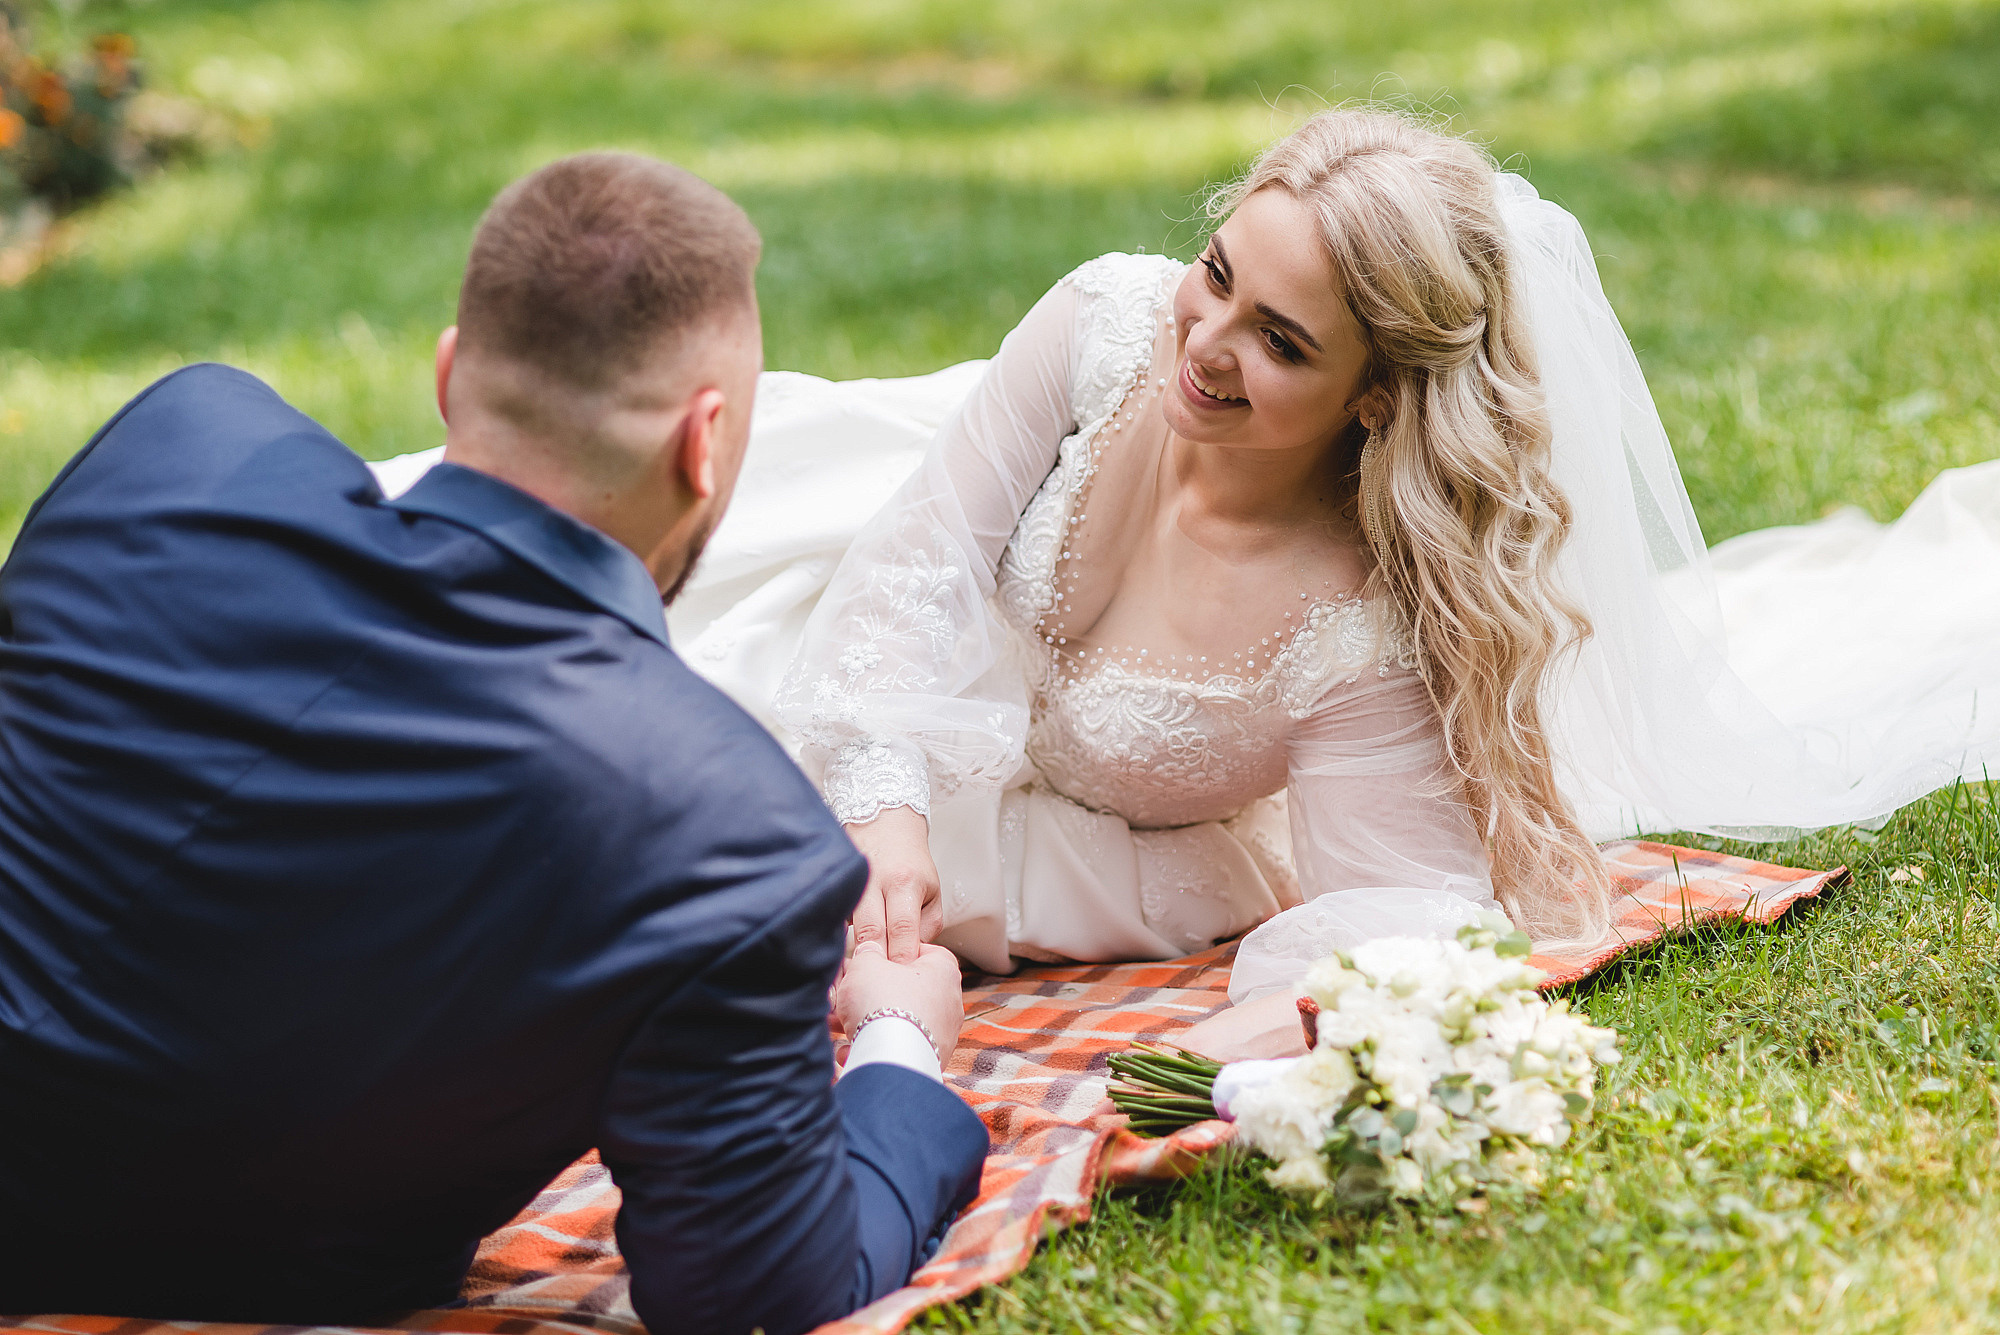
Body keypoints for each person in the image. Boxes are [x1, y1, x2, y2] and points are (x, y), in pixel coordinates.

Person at [375, 111, 2000, 1008]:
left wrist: (1297, 1033)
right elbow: (919, 562)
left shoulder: (1358, 629)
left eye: (1279, 339)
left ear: (1375, 395)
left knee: (716, 903)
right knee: (594, 741)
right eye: (1216, 272)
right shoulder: (1103, 323)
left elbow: (1385, 913)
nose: (1206, 343)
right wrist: (883, 797)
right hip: (867, 573)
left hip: (1100, 834)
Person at [0, 152, 987, 1335]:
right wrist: (896, 1040)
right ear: (706, 441)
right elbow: (760, 1292)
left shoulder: (177, 449)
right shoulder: (725, 832)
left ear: (447, 373)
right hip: (193, 1288)